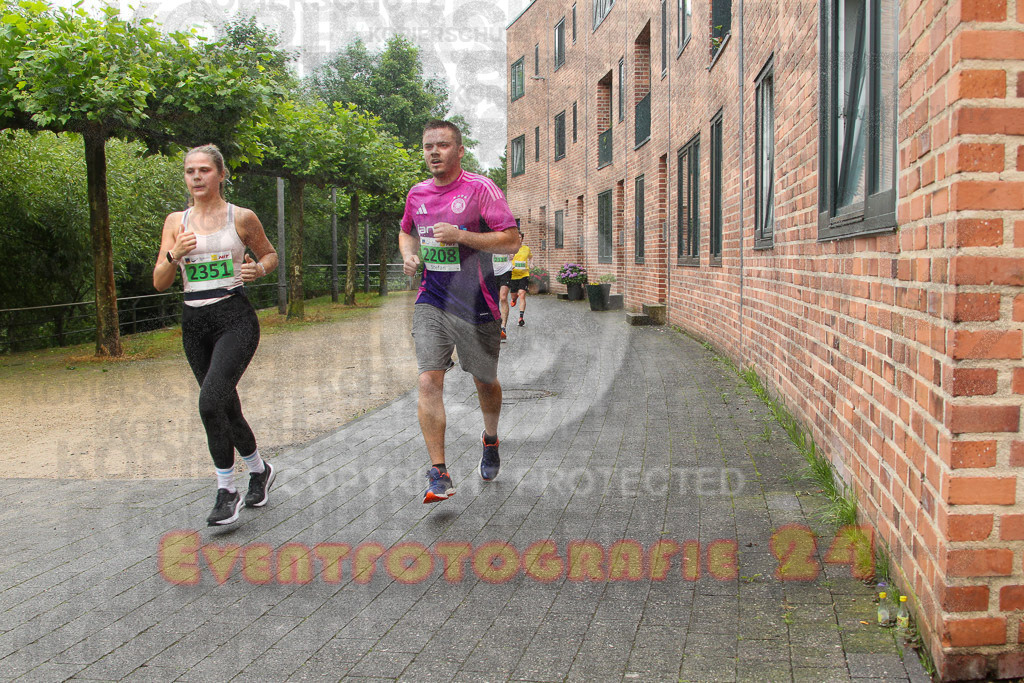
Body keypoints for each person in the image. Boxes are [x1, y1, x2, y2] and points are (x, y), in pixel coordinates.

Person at [153, 144, 279, 526]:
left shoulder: (240, 218)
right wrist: (175, 254)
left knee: (209, 404)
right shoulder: (177, 221)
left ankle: (227, 490)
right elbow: (159, 282)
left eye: (204, 170)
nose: (196, 177)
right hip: (194, 324)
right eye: (190, 171)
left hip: (234, 318)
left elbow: (270, 255)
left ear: (221, 175)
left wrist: (260, 269)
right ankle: (259, 470)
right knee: (224, 405)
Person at [400, 120, 520, 503]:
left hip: (476, 305)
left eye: (443, 145)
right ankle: (439, 472)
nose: (434, 152)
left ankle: (490, 439)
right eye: (428, 146)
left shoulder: (480, 189)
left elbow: (511, 242)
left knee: (484, 382)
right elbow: (406, 230)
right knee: (428, 381)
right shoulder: (416, 194)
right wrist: (409, 254)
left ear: (459, 150)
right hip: (431, 298)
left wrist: (462, 235)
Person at [492, 229, 522, 341]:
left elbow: (516, 246)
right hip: (492, 271)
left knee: (503, 297)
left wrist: (512, 252)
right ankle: (494, 325)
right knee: (494, 300)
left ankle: (503, 327)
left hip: (505, 270)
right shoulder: (489, 238)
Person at [508, 233, 532, 327]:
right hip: (513, 275)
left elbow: (531, 257)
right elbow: (507, 259)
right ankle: (514, 299)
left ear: (522, 239)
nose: (518, 239)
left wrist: (531, 263)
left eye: (520, 237)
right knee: (514, 296)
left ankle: (521, 317)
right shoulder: (510, 249)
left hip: (524, 275)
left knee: (522, 294)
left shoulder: (526, 249)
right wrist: (510, 264)